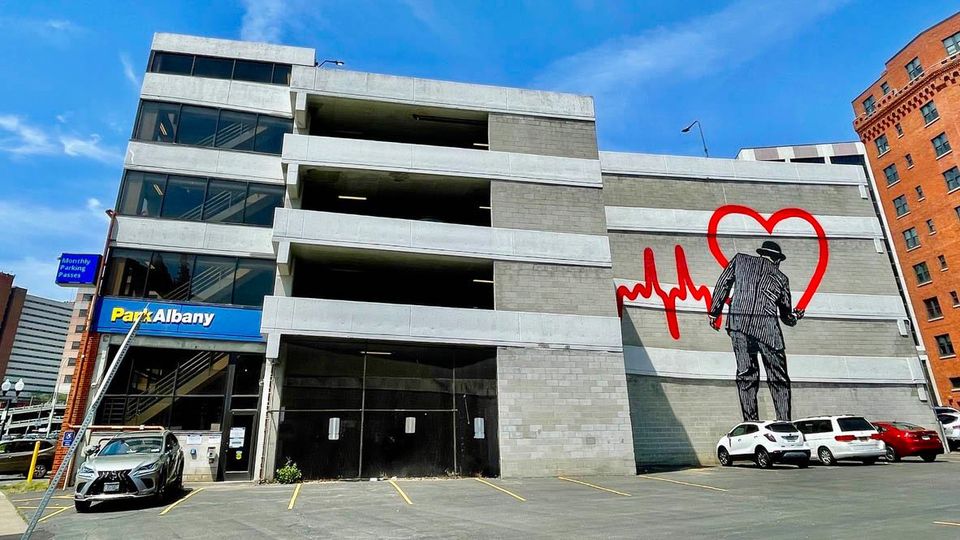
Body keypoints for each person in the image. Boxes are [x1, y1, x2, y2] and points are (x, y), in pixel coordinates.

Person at [708, 241, 805, 421]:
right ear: (777, 260)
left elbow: (723, 284)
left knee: (746, 376)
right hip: (767, 331)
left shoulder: (740, 261)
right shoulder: (781, 278)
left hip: (739, 325)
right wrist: (795, 317)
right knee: (778, 379)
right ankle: (783, 421)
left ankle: (750, 423)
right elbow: (785, 316)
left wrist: (714, 312)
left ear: (761, 254)